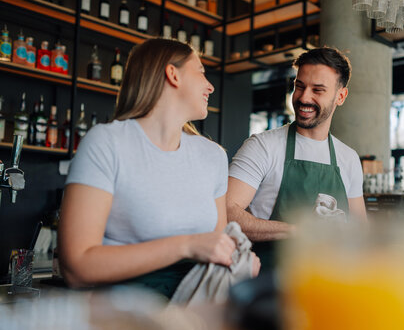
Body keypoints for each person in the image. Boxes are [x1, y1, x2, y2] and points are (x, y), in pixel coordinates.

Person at [59, 38, 260, 298]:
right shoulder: (106, 143)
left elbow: (215, 250)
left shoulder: (213, 156)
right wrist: (187, 245)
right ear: (172, 74)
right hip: (121, 323)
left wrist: (238, 264)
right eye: (200, 72)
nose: (210, 86)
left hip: (196, 324)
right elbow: (76, 267)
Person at [227, 47, 367, 270]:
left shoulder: (348, 159)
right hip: (268, 283)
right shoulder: (263, 146)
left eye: (317, 90)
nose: (304, 97)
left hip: (329, 284)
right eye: (299, 86)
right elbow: (226, 213)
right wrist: (298, 230)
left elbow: (360, 230)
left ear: (340, 96)